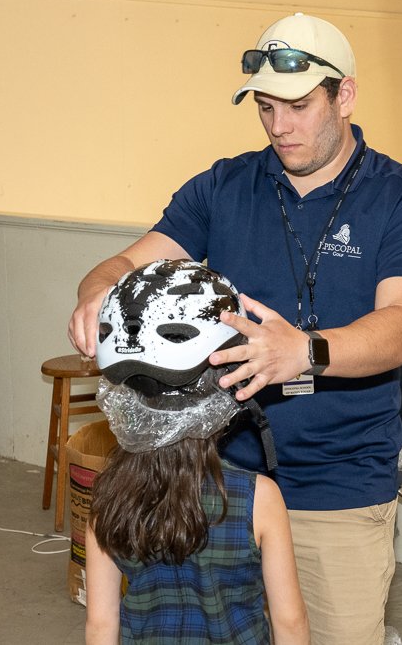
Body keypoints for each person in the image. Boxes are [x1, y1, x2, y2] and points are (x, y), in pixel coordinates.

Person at [69, 12, 402, 644]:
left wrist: (304, 351)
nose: (279, 126)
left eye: (297, 106)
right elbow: (133, 260)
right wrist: (93, 292)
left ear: (344, 95)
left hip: (341, 484)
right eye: (265, 107)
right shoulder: (224, 186)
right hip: (219, 483)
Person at [84, 259, 309, 644]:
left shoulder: (107, 497)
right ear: (224, 394)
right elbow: (289, 623)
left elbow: (102, 626)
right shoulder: (258, 499)